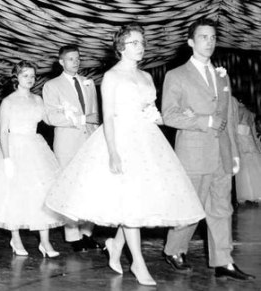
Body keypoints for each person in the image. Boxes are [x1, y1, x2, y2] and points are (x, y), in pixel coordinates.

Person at [45, 24, 206, 286]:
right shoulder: (112, 77)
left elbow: (150, 112)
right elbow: (107, 117)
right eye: (134, 43)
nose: (140, 47)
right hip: (120, 140)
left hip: (147, 142)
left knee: (137, 203)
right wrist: (113, 153)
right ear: (121, 47)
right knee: (131, 204)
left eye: (142, 42)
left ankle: (115, 244)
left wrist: (167, 116)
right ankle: (138, 263)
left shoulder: (146, 77)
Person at [161, 18, 255, 281]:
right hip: (193, 154)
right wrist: (204, 121)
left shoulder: (221, 75)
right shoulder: (176, 75)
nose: (209, 42)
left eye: (213, 37)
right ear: (191, 42)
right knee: (192, 207)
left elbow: (229, 116)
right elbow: (169, 115)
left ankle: (223, 260)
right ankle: (174, 249)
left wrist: (234, 152)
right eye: (203, 37)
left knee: (222, 209)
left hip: (222, 154)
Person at [0, 61, 64, 257]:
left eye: (32, 76)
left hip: (36, 147)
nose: (29, 79)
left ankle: (45, 242)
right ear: (16, 78)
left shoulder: (38, 100)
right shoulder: (8, 102)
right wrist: (7, 159)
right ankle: (16, 238)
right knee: (13, 193)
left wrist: (67, 112)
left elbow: (49, 120)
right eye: (25, 75)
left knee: (40, 193)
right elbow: (3, 132)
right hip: (14, 148)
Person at [42, 45, 101, 252]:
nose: (75, 62)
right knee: (69, 188)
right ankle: (72, 236)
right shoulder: (52, 86)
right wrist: (83, 119)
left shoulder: (88, 83)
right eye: (70, 59)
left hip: (90, 142)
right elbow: (50, 117)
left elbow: (95, 114)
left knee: (90, 188)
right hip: (67, 144)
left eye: (77, 58)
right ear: (61, 62)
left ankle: (86, 233)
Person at [234, 100, 261, 204]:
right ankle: (257, 193)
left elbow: (234, 129)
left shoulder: (238, 111)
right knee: (254, 167)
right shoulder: (250, 113)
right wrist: (257, 145)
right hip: (250, 141)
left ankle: (246, 194)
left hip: (241, 142)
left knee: (244, 170)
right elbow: (253, 133)